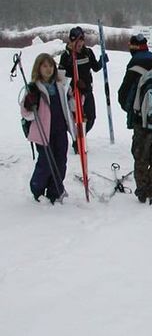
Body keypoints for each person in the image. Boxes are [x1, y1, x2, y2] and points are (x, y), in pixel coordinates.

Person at [118, 34, 152, 204]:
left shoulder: (133, 68)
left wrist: (134, 112)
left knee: (141, 157)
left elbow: (122, 96)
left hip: (142, 122)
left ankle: (142, 190)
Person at [21, 53, 75, 204]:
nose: (48, 69)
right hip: (42, 132)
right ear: (38, 68)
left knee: (60, 161)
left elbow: (72, 104)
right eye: (44, 66)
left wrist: (78, 95)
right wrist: (30, 105)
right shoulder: (33, 88)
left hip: (60, 129)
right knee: (45, 162)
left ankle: (55, 191)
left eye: (51, 65)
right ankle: (37, 189)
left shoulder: (61, 85)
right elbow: (26, 114)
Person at [58, 26, 105, 143]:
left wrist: (102, 61)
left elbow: (95, 67)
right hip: (73, 93)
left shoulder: (88, 53)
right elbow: (61, 77)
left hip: (87, 91)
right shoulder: (66, 56)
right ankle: (77, 140)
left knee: (91, 117)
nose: (78, 44)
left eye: (80, 40)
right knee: (76, 119)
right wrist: (74, 84)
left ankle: (82, 135)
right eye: (75, 41)